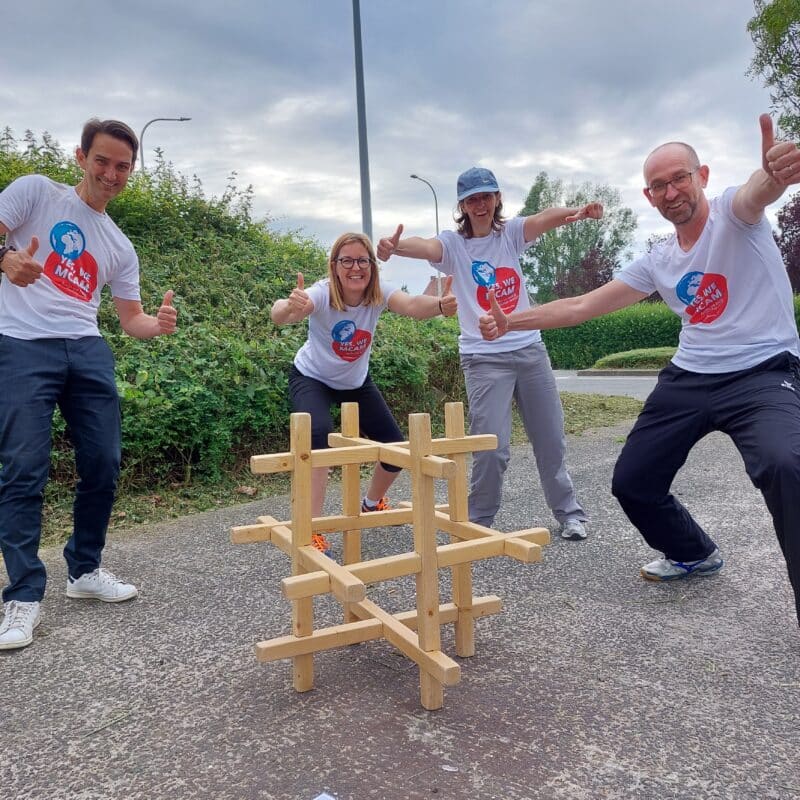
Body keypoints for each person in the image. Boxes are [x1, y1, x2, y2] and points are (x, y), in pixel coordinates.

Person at [479, 115, 800, 628]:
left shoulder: (734, 215)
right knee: (632, 482)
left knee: (787, 464)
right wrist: (509, 320)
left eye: (680, 178)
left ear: (703, 176)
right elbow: (580, 305)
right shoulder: (658, 260)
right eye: (659, 185)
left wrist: (775, 174)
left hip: (762, 372)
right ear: (649, 197)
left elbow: (757, 192)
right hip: (690, 377)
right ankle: (692, 552)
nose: (671, 191)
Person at [0, 118, 178, 650]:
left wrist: (156, 326)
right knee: (24, 468)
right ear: (81, 157)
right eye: (102, 160)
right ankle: (23, 596)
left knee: (103, 461)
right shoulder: (36, 192)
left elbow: (130, 318)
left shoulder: (119, 245)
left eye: (122, 166)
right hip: (21, 342)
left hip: (87, 347)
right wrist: (6, 259)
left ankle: (84, 570)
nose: (111, 173)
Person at [377, 167, 602, 539]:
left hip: (529, 351)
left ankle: (569, 513)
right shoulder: (454, 245)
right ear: (462, 206)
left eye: (486, 196)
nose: (480, 205)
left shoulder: (510, 235)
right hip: (483, 359)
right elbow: (426, 246)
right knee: (491, 447)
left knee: (550, 439)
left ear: (497, 198)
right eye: (472, 200)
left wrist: (575, 213)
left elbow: (543, 218)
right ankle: (479, 520)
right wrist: (394, 246)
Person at [270, 231, 456, 556]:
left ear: (372, 265)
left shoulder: (379, 292)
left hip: (355, 382)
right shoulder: (322, 292)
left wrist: (440, 305)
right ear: (334, 266)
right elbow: (282, 315)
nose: (355, 268)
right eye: (346, 261)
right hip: (312, 377)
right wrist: (288, 306)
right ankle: (311, 529)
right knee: (317, 437)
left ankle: (371, 503)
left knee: (395, 447)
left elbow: (412, 305)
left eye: (362, 260)